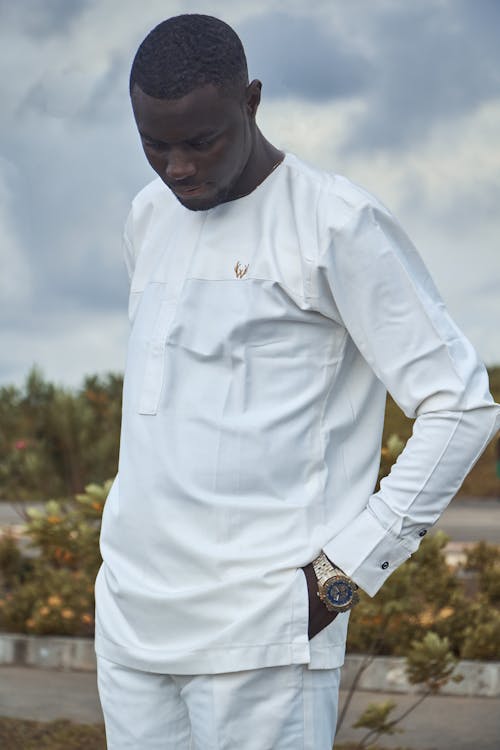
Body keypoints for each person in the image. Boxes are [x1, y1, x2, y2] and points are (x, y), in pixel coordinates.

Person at [94, 13, 500, 749]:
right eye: (155, 145)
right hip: (130, 623)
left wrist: (341, 577)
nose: (177, 167)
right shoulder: (148, 217)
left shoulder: (336, 224)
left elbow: (461, 405)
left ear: (251, 102)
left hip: (264, 637)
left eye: (200, 140)